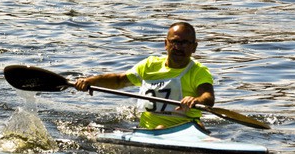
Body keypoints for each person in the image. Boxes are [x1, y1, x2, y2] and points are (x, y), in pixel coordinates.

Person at [74, 22, 215, 129]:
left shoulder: (199, 71)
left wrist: (196, 100)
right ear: (166, 44)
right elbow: (118, 81)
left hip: (187, 128)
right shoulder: (149, 65)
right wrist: (89, 81)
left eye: (185, 43)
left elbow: (208, 97)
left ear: (194, 47)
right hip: (149, 130)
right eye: (175, 42)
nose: (179, 47)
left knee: (182, 128)